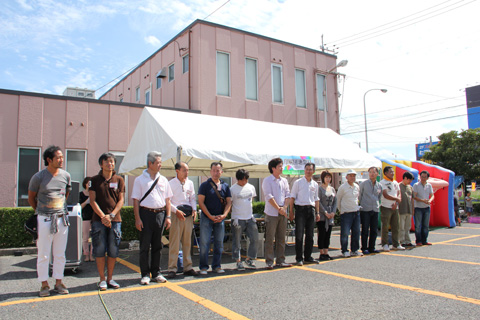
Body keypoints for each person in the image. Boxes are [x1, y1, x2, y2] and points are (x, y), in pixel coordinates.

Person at [28, 146, 71, 297]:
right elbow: (31, 198)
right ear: (49, 160)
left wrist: (58, 209)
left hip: (61, 219)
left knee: (60, 253)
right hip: (44, 219)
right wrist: (41, 211)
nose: (61, 160)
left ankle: (59, 282)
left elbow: (66, 194)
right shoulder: (38, 177)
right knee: (44, 254)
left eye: (62, 157)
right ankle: (44, 284)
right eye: (58, 157)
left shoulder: (66, 176)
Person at [132, 151, 172, 285]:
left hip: (160, 214)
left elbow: (167, 200)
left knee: (157, 245)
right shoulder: (140, 180)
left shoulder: (164, 179)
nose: (160, 165)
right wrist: (137, 218)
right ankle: (145, 274)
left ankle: (156, 273)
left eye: (161, 162)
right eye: (158, 162)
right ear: (150, 163)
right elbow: (136, 201)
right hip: (145, 214)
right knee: (144, 246)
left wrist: (168, 216)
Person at [89, 153, 125, 290]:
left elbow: (121, 200)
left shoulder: (119, 179)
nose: (110, 164)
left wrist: (111, 215)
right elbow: (92, 201)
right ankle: (102, 279)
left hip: (115, 220)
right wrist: (103, 216)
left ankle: (110, 278)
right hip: (98, 221)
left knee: (113, 249)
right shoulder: (94, 180)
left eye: (112, 162)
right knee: (99, 249)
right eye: (107, 162)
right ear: (101, 164)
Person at [197, 162, 232, 275]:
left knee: (219, 243)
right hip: (207, 218)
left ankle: (217, 266)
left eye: (218, 170)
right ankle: (203, 267)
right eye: (214, 170)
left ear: (221, 172)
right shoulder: (204, 185)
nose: (216, 172)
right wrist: (209, 216)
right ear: (210, 171)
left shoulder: (225, 186)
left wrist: (224, 215)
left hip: (220, 218)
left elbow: (229, 202)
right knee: (204, 243)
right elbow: (201, 202)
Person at [167, 162, 197, 278]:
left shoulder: (190, 183)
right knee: (174, 242)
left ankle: (187, 267)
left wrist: (194, 210)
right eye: (184, 170)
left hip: (188, 215)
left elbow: (192, 198)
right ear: (177, 171)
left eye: (188, 170)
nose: (187, 173)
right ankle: (172, 268)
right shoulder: (170, 184)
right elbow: (168, 201)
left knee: (187, 242)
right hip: (176, 214)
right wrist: (176, 211)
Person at [289, 163, 323, 265]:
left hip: (311, 210)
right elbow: (292, 198)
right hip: (300, 210)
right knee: (299, 235)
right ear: (304, 170)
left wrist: (317, 212)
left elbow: (316, 199)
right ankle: (299, 258)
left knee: (310, 235)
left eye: (310, 169)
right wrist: (291, 212)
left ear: (313, 171)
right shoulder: (298, 182)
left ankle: (308, 256)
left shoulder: (315, 184)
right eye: (307, 169)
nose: (308, 171)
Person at [262, 158, 293, 269]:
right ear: (273, 168)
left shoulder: (284, 180)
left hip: (282, 212)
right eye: (279, 166)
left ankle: (280, 260)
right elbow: (268, 196)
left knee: (281, 238)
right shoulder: (267, 180)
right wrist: (279, 208)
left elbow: (288, 195)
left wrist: (284, 207)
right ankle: (269, 261)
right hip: (271, 213)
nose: (282, 168)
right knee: (270, 238)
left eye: (282, 166)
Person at [230, 169, 259, 270]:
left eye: (246, 179)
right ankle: (238, 261)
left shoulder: (251, 187)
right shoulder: (232, 189)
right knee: (237, 241)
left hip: (249, 217)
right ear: (238, 179)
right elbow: (229, 204)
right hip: (237, 219)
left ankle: (249, 258)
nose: (245, 181)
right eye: (243, 179)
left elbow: (252, 200)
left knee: (255, 238)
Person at [336, 169, 362, 257]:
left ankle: (354, 250)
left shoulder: (357, 186)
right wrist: (341, 210)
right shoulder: (342, 187)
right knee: (345, 233)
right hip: (346, 213)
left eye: (354, 176)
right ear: (346, 177)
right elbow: (338, 200)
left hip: (356, 212)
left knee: (356, 232)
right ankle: (344, 250)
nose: (352, 177)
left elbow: (357, 198)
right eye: (350, 175)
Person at [379, 166, 404, 251]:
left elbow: (399, 193)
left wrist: (397, 202)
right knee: (385, 226)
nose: (392, 173)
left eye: (393, 171)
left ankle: (396, 244)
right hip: (386, 206)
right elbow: (385, 194)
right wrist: (396, 199)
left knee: (396, 226)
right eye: (390, 172)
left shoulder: (395, 182)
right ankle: (385, 244)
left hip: (395, 207)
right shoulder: (382, 182)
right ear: (385, 173)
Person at [358, 167, 382, 254]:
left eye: (374, 172)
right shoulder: (363, 184)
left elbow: (379, 197)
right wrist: (362, 204)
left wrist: (376, 204)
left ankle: (372, 247)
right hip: (365, 209)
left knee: (374, 230)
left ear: (377, 174)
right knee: (365, 229)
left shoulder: (379, 185)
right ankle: (364, 248)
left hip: (375, 209)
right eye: (370, 172)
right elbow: (359, 195)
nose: (372, 174)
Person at [314, 171, 337, 261]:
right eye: (326, 177)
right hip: (323, 216)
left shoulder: (332, 189)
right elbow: (318, 202)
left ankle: (326, 252)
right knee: (322, 233)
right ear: (322, 178)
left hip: (330, 215)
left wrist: (333, 212)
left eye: (329, 177)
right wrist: (325, 212)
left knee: (328, 234)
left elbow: (335, 201)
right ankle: (321, 253)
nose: (328, 179)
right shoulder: (319, 189)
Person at [413, 170, 434, 246]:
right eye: (422, 177)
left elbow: (432, 195)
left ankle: (424, 240)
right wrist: (422, 200)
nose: (423, 178)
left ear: (427, 178)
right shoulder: (416, 185)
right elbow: (414, 196)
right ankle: (418, 241)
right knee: (418, 225)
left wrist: (430, 201)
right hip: (418, 207)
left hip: (427, 207)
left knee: (426, 225)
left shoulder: (429, 185)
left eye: (425, 177)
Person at [79, 177, 94, 262]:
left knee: (94, 237)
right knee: (85, 238)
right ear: (85, 184)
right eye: (88, 183)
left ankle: (92, 254)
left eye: (91, 183)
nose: (89, 185)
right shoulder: (81, 194)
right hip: (85, 218)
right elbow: (79, 207)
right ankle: (86, 254)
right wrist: (86, 202)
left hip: (94, 218)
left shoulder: (94, 194)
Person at [398, 172, 414, 247]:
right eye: (409, 180)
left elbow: (412, 199)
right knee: (401, 227)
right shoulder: (398, 186)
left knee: (407, 227)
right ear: (405, 178)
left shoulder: (410, 187)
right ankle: (402, 241)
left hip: (409, 210)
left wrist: (413, 209)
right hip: (401, 210)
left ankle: (408, 241)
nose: (410, 182)